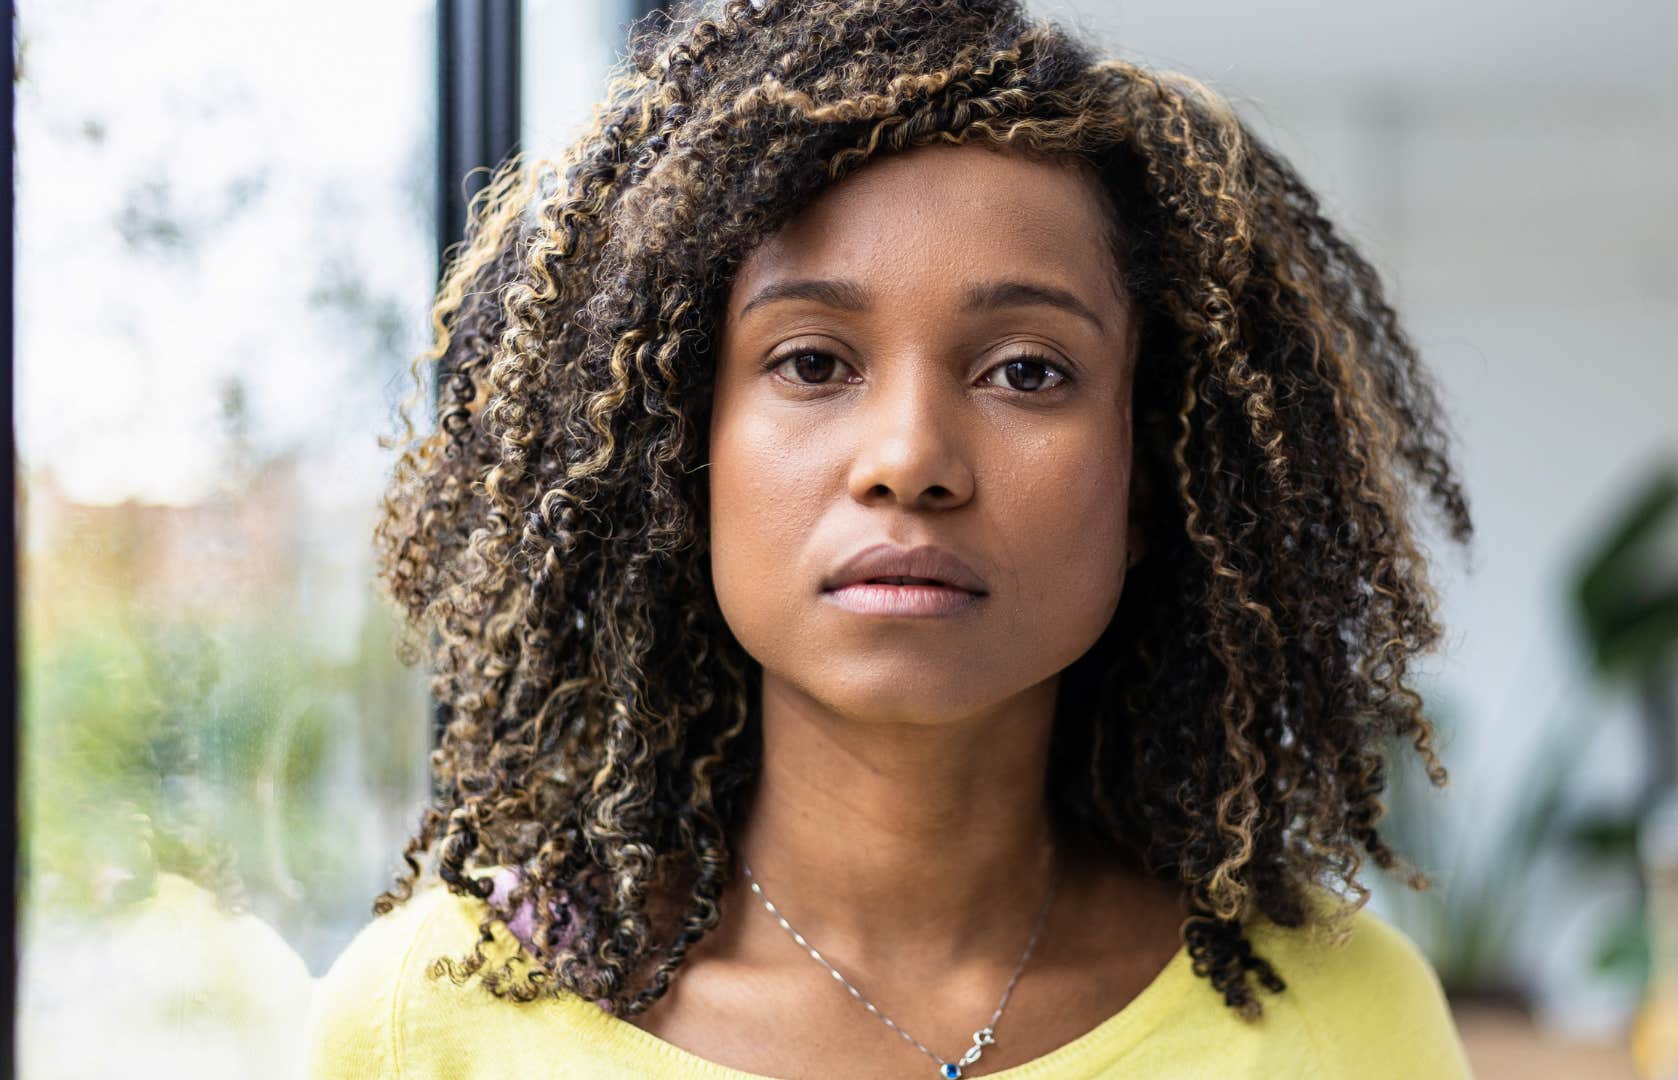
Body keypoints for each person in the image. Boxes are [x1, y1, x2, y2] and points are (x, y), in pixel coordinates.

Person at [305, 0, 1479, 1075]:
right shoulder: (434, 1022)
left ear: (1149, 478)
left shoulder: (1346, 1026)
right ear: (680, 455)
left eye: (1027, 371)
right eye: (811, 362)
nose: (909, 458)